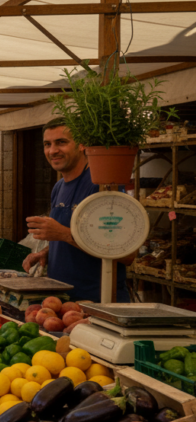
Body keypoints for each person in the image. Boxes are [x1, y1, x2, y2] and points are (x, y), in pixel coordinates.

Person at [24, 118, 133, 301]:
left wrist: (64, 234)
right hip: (63, 301)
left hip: (98, 303)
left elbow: (128, 255)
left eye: (61, 142)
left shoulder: (102, 186)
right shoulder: (59, 187)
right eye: (47, 144)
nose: (52, 151)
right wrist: (46, 253)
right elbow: (69, 238)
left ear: (82, 144)